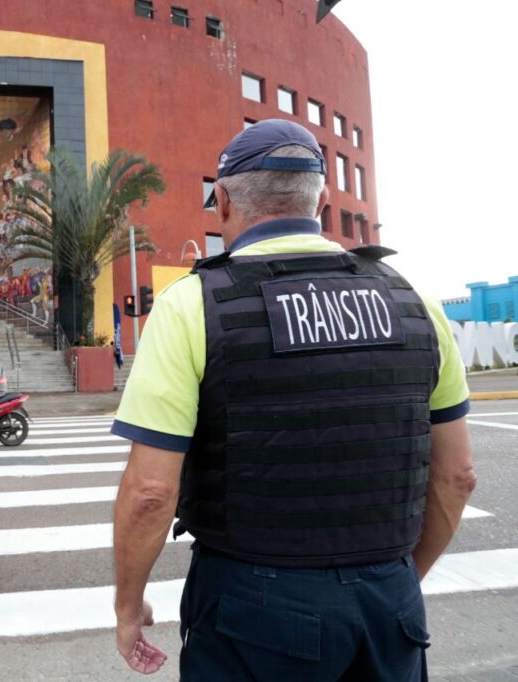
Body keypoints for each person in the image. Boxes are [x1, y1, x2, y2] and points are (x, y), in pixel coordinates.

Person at [110, 119, 475, 679]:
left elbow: (152, 492)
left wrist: (128, 608)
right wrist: (399, 580)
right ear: (323, 200)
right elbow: (456, 477)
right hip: (390, 601)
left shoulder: (191, 305)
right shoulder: (414, 299)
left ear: (225, 201)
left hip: (251, 606)